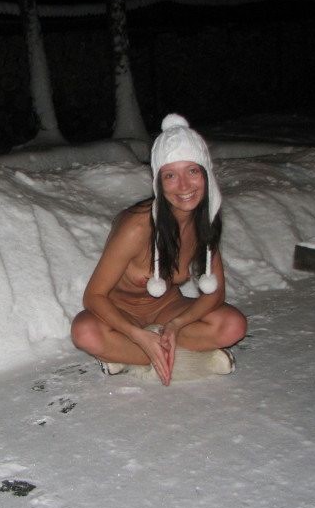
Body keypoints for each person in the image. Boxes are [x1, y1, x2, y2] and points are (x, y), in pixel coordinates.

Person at [71, 114, 247, 386]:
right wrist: (137, 334)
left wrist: (176, 325)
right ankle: (186, 356)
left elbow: (216, 292)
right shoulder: (136, 227)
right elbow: (94, 296)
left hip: (166, 308)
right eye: (170, 175)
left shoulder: (204, 220)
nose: (184, 186)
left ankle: (128, 355)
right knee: (85, 332)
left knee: (233, 325)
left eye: (192, 171)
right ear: (159, 182)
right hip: (121, 312)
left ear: (206, 174)